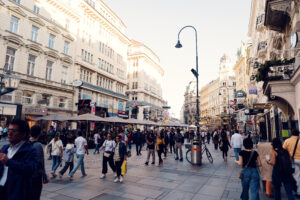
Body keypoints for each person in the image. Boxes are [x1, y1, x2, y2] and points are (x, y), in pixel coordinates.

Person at [0, 119, 38, 200]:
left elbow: (30, 169)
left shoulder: (30, 150)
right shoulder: (5, 148)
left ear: (23, 134)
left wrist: (9, 162)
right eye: (9, 130)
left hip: (16, 193)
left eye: (13, 131)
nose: (9, 133)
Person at [30, 125, 49, 200]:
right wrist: (44, 176)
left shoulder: (26, 143)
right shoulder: (38, 145)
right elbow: (40, 163)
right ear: (39, 133)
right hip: (35, 176)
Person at [283, 129, 300, 197]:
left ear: (292, 134)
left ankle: (298, 191)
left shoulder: (287, 141)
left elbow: (283, 150)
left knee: (296, 175)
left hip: (293, 161)